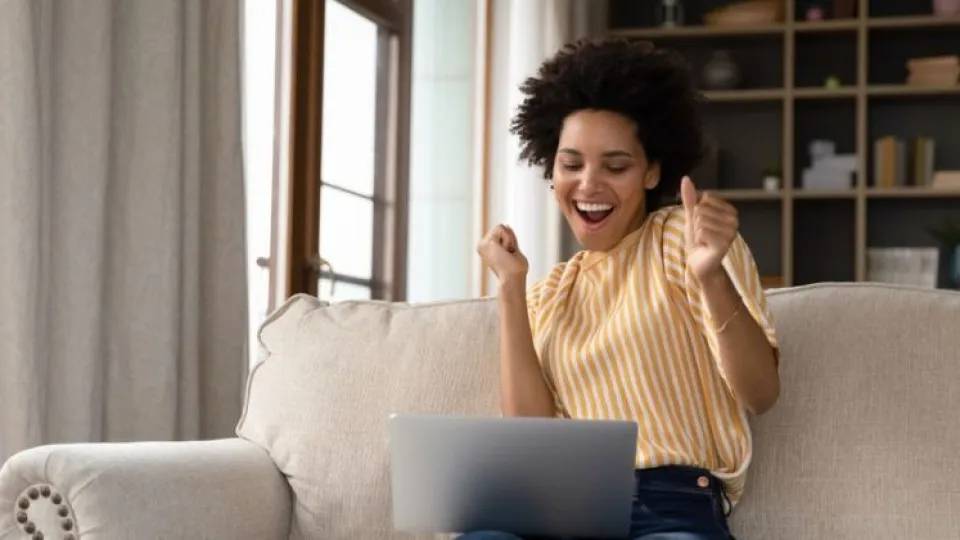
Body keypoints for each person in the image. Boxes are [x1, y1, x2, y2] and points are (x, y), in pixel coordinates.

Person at [470, 38, 780, 540]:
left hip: (671, 503)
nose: (589, 184)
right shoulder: (549, 290)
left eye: (615, 166)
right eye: (571, 164)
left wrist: (711, 276)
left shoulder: (684, 237)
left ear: (652, 170)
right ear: (551, 171)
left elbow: (761, 394)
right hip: (559, 503)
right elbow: (531, 431)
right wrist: (510, 287)